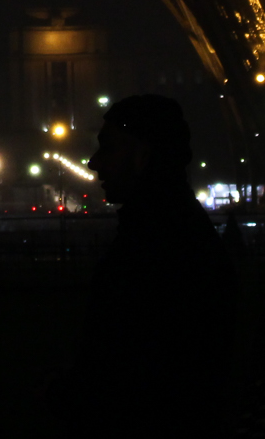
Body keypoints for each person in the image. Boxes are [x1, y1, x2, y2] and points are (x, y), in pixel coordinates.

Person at [74, 94, 238, 428]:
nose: (94, 162)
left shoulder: (155, 246)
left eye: (108, 148)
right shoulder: (177, 235)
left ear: (142, 156)